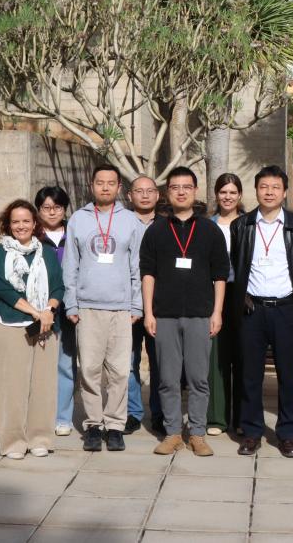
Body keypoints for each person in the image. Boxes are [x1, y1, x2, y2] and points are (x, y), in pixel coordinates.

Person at [141, 167, 231, 456]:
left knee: (198, 379)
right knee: (167, 379)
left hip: (199, 315)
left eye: (187, 187)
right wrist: (148, 312)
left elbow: (220, 275)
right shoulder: (155, 230)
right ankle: (171, 432)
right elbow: (148, 274)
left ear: (195, 191)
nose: (181, 191)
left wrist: (217, 313)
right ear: (167, 193)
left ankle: (198, 433)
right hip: (164, 315)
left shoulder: (210, 230)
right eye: (175, 187)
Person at [63, 164, 146, 452]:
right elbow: (70, 264)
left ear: (119, 188)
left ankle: (115, 425)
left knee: (121, 371)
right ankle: (94, 425)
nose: (106, 188)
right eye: (101, 183)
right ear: (92, 185)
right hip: (87, 307)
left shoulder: (130, 220)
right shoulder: (78, 219)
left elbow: (136, 264)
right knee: (89, 370)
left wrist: (137, 304)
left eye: (111, 183)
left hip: (122, 309)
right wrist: (71, 302)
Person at [229, 165, 293, 458]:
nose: (270, 192)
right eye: (264, 187)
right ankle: (251, 432)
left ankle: (288, 434)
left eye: (275, 187)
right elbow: (236, 266)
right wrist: (243, 296)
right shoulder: (242, 226)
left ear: (284, 192)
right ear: (256, 190)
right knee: (251, 374)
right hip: (253, 310)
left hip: (286, 309)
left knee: (288, 375)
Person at [0, 199, 65, 459]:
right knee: (11, 385)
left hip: (45, 325)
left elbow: (58, 287)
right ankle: (12, 441)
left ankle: (40, 438)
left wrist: (49, 311)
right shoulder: (0, 252)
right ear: (8, 225)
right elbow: (4, 289)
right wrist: (36, 312)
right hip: (9, 324)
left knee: (43, 385)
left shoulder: (45, 253)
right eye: (15, 221)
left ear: (35, 224)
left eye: (26, 221)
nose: (21, 226)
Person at [35, 186, 79, 438]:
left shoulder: (73, 233)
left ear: (65, 209)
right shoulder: (32, 235)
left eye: (57, 207)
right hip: (40, 309)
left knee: (65, 364)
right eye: (46, 207)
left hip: (68, 308)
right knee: (40, 365)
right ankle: (40, 415)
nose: (52, 212)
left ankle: (63, 417)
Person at [209, 173, 245, 437]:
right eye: (223, 192)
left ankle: (243, 418)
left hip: (244, 294)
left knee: (244, 357)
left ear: (240, 195)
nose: (228, 197)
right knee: (217, 358)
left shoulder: (249, 224)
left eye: (233, 192)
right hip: (213, 294)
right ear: (216, 194)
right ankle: (217, 418)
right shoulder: (208, 226)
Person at [128, 176, 161, 434]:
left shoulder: (167, 225)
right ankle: (132, 411)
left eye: (150, 191)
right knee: (128, 361)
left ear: (158, 195)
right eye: (139, 191)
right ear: (130, 196)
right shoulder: (121, 223)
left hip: (158, 305)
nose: (145, 195)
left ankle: (159, 413)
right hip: (127, 303)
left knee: (160, 361)